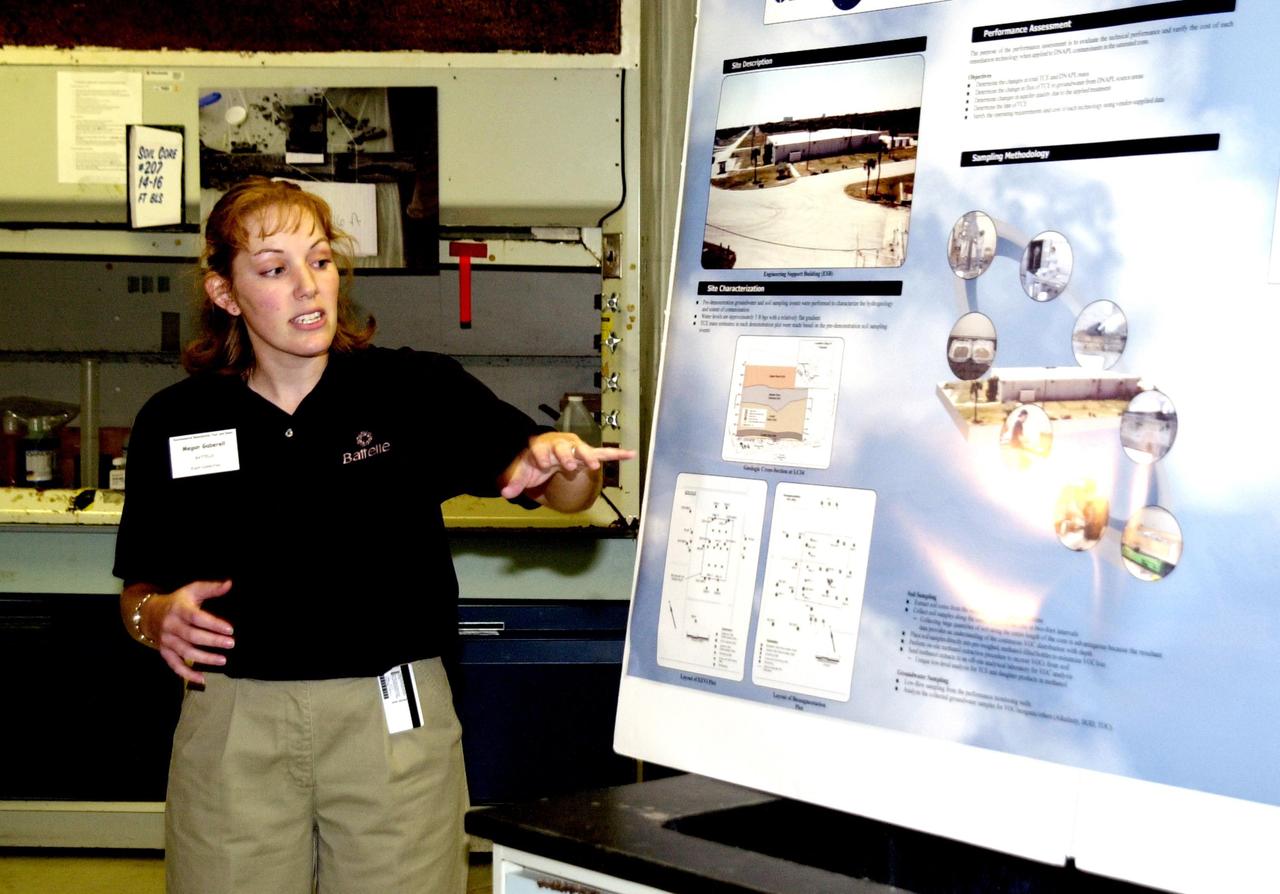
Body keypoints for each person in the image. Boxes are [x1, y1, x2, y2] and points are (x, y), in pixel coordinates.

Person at [113, 177, 633, 894]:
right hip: (233, 720)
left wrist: (562, 463)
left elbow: (561, 489)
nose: (307, 287)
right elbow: (138, 589)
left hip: (391, 720)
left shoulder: (412, 391)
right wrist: (154, 617)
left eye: (321, 262)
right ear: (226, 293)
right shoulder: (175, 420)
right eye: (274, 270)